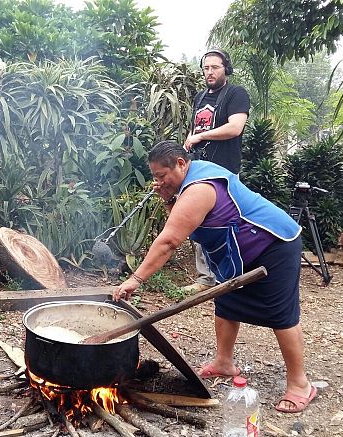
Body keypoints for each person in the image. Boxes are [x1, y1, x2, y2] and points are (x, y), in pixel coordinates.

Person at [113, 141, 317, 414]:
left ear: (181, 163)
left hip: (273, 245)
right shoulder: (187, 184)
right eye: (155, 177)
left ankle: (300, 384)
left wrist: (136, 279)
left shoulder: (200, 188)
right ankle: (224, 362)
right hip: (239, 255)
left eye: (162, 176)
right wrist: (168, 196)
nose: (158, 181)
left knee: (281, 316)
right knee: (226, 305)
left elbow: (170, 240)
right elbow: (183, 220)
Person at [182, 49, 251, 293]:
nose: (209, 72)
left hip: (224, 173)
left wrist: (200, 135)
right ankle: (205, 279)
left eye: (215, 67)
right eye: (206, 68)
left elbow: (235, 128)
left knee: (227, 225)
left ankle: (230, 278)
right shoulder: (200, 97)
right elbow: (195, 130)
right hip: (199, 171)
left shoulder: (236, 94)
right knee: (200, 224)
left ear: (226, 69)